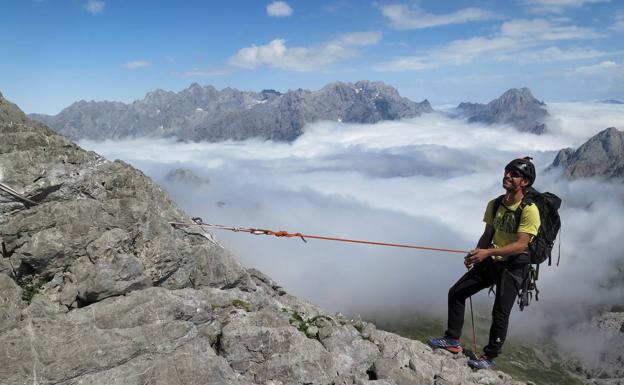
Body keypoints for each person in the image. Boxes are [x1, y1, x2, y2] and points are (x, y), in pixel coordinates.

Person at [427, 157, 541, 370]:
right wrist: (477, 253)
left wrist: (487, 252)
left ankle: (488, 357)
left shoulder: (529, 210)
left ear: (525, 182)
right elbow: (488, 233)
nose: (507, 175)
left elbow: (520, 245)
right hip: (493, 260)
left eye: (514, 174)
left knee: (500, 312)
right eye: (507, 171)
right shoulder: (496, 204)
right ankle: (452, 340)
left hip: (514, 266)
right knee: (457, 292)